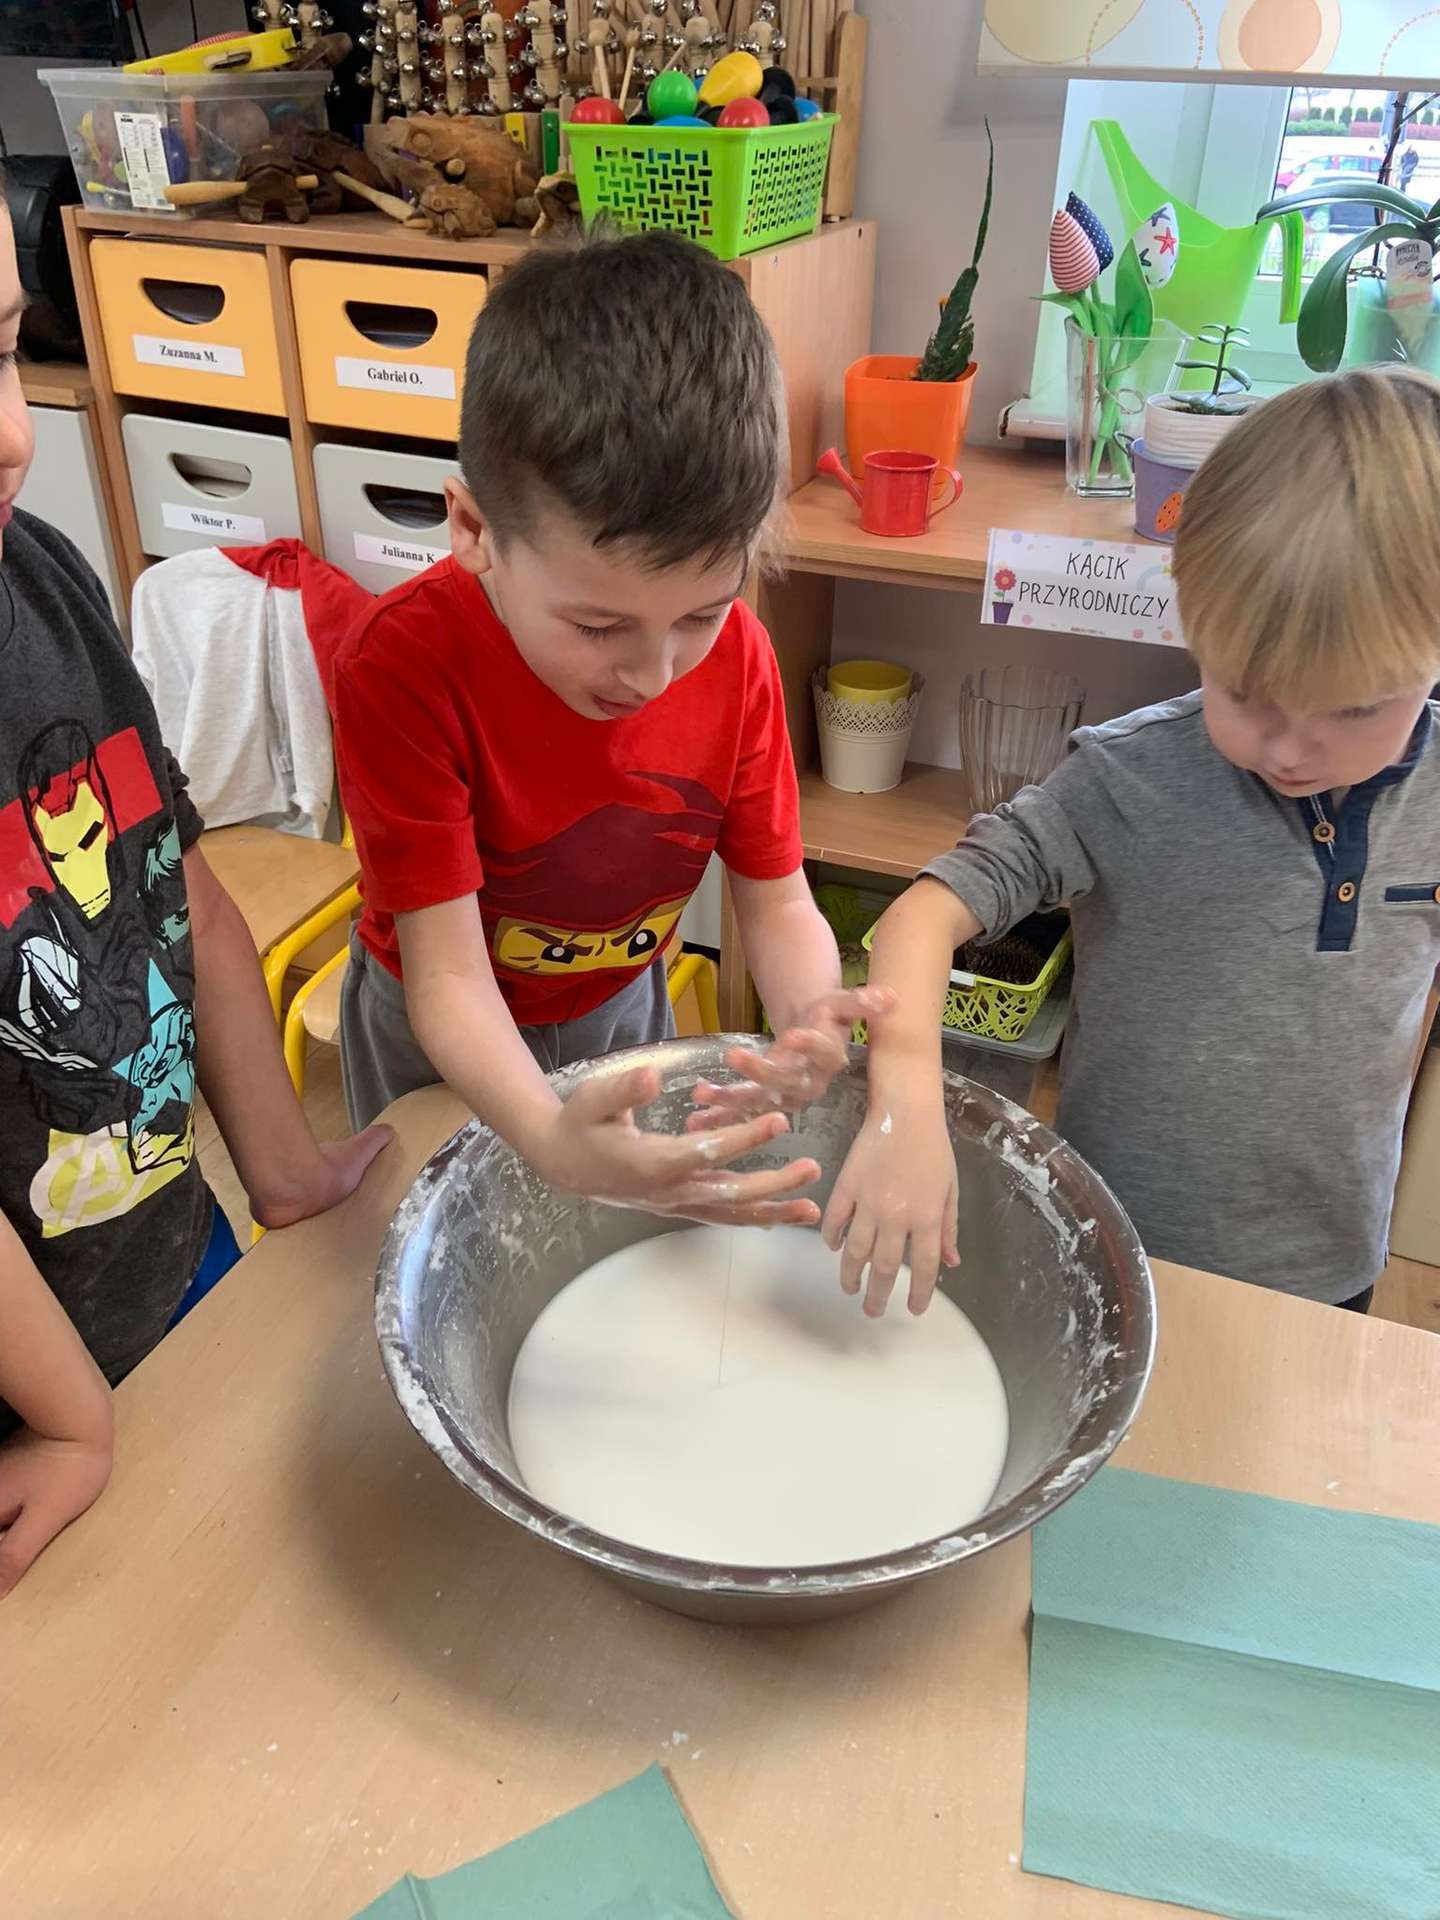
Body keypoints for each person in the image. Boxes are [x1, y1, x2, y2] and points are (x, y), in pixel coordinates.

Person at [820, 366, 1440, 1318]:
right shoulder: (1125, 778)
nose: (1290, 748)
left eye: (1355, 709)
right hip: (1113, 1241)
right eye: (1247, 692)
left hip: (1330, 1264)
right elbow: (923, 917)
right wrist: (905, 1102)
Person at [0, 203, 392, 1596]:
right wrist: (70, 1421)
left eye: (1, 352)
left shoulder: (43, 578)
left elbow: (186, 898)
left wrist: (283, 1168)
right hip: (33, 1409)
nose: (8, 435)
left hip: (169, 1256)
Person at [333, 230, 882, 1222]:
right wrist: (545, 1135)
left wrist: (809, 1019)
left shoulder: (742, 662)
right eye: (598, 626)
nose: (653, 674)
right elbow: (447, 977)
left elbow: (777, 903)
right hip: (440, 1033)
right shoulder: (401, 664)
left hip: (621, 1003)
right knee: (456, 1228)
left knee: (619, 1219)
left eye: (701, 613)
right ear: (474, 531)